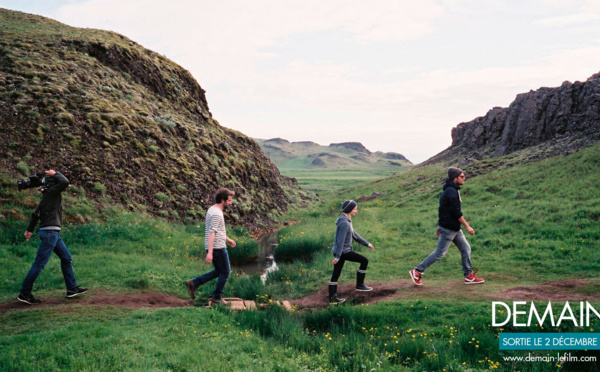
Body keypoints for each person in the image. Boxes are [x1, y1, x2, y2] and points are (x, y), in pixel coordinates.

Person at [18, 170, 88, 305]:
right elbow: (64, 182)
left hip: (51, 233)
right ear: (54, 185)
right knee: (39, 264)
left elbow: (36, 214)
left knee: (66, 258)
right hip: (50, 233)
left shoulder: (47, 195)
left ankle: (72, 289)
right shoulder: (51, 193)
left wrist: (29, 230)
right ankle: (24, 293)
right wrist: (54, 173)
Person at [409, 167, 484, 286]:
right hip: (449, 228)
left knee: (466, 248)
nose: (464, 178)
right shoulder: (451, 191)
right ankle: (417, 271)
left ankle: (468, 276)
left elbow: (443, 210)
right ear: (455, 178)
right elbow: (456, 212)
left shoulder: (451, 190)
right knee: (440, 253)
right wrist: (468, 227)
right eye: (462, 176)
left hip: (454, 228)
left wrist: (439, 225)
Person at [185, 188, 236, 304]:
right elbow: (212, 233)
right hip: (217, 247)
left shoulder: (212, 209)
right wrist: (210, 253)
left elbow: (217, 230)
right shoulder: (217, 214)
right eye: (229, 201)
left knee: (219, 271)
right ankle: (216, 298)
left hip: (217, 245)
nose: (230, 203)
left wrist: (228, 240)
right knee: (225, 272)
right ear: (222, 200)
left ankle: (194, 283)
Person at [328, 200, 375, 304]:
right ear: (349, 210)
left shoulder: (346, 220)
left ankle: (333, 298)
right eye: (355, 209)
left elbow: (354, 235)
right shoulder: (344, 223)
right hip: (343, 252)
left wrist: (367, 244)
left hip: (340, 252)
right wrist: (337, 257)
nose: (356, 211)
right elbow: (340, 241)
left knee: (336, 273)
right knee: (364, 261)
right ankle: (360, 285)